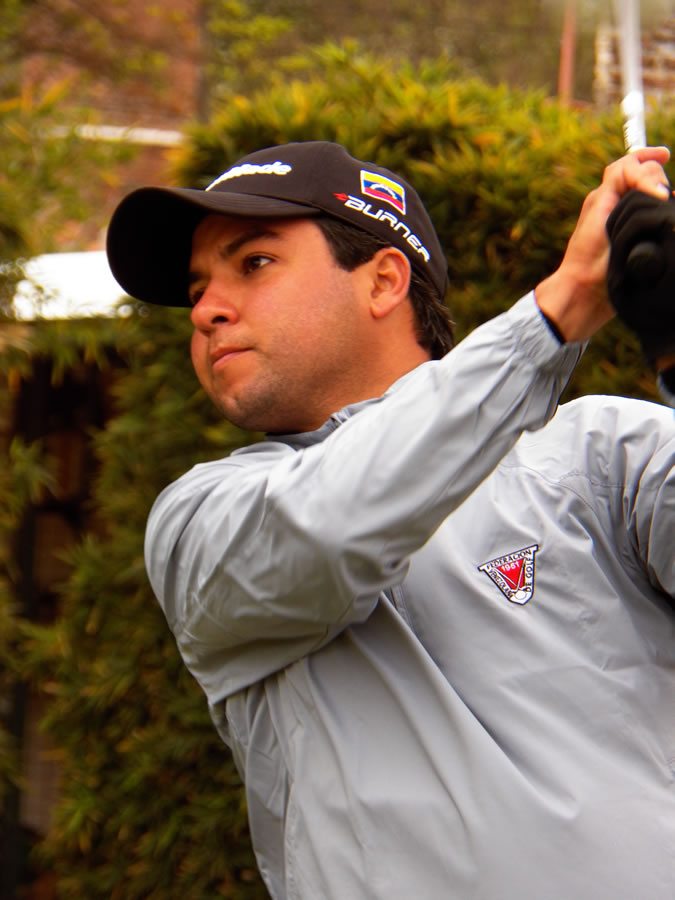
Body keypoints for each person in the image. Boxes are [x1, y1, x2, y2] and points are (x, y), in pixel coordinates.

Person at [106, 141, 675, 900]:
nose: (207, 309)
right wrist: (561, 308)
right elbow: (334, 525)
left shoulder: (600, 452)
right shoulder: (200, 518)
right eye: (198, 287)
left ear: (382, 281)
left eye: (253, 263)